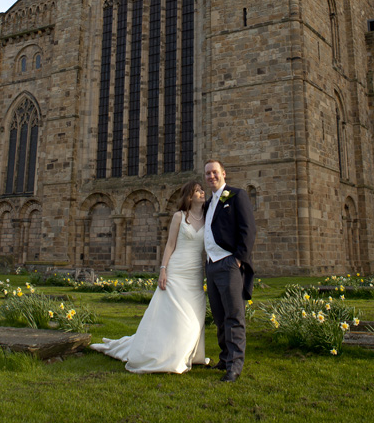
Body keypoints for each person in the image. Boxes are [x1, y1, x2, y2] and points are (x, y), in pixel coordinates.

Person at [90, 181, 209, 373]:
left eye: (202, 190)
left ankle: (189, 353)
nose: (202, 193)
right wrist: (163, 269)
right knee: (175, 314)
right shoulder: (179, 216)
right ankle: (170, 356)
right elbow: (170, 245)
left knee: (194, 314)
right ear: (189, 196)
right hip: (177, 269)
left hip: (194, 272)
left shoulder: (207, 217)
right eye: (197, 191)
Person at [204, 159, 256, 383]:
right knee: (219, 315)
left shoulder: (235, 195)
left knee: (234, 315)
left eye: (215, 172)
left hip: (228, 263)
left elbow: (248, 229)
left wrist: (239, 259)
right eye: (208, 174)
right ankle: (225, 358)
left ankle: (234, 366)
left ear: (224, 173)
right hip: (212, 265)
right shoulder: (209, 203)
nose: (211, 177)